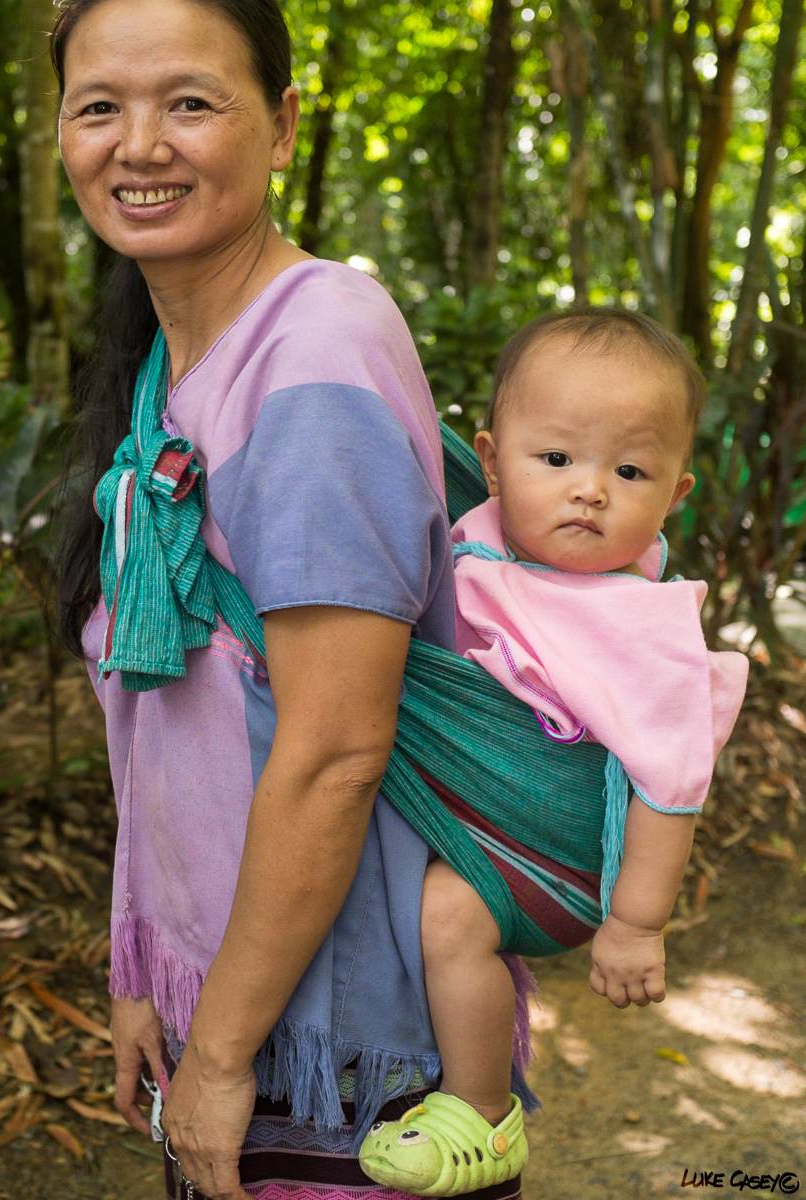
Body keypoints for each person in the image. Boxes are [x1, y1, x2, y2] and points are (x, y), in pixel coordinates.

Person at [51, 3, 529, 1200]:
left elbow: (332, 752)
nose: (140, 143)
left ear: (283, 126)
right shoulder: (174, 357)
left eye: (191, 102)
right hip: (241, 1000)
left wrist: (220, 1053)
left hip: (346, 1052)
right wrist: (146, 978)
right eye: (99, 105)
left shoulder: (315, 356)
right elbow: (176, 726)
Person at [358, 310, 749, 1197]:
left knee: (449, 922)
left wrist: (637, 925)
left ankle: (481, 1114)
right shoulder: (477, 532)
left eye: (630, 470)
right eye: (556, 459)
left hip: (555, 861)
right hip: (464, 799)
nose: (589, 490)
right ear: (490, 462)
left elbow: (671, 777)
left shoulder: (636, 623)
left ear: (673, 496)